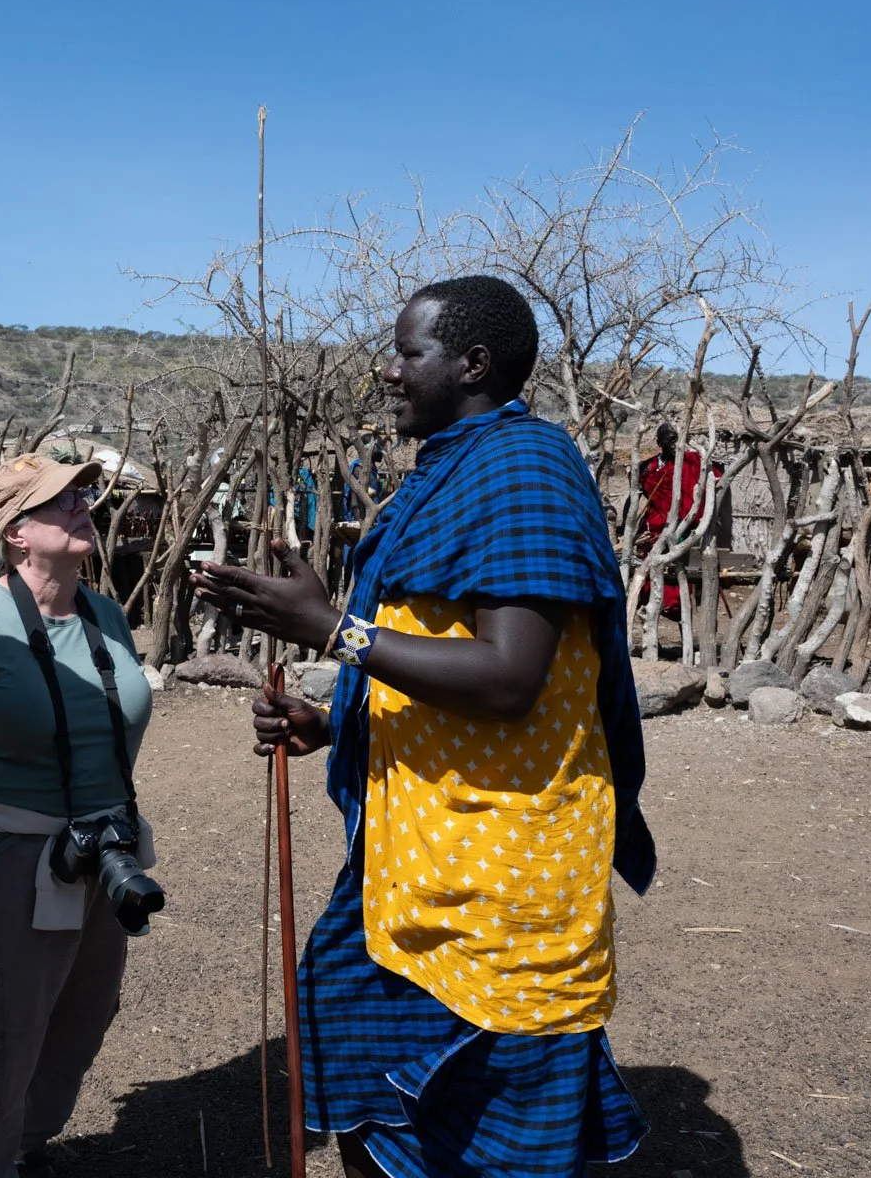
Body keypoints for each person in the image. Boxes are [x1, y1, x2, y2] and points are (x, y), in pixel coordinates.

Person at [192, 275, 655, 1178]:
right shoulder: (452, 468)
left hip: (500, 879)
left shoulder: (528, 468)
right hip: (415, 863)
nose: (389, 372)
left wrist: (329, 628)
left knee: (489, 1129)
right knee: (357, 1057)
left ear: (473, 363)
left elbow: (511, 676)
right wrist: (332, 722)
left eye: (409, 353)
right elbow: (432, 650)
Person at [0, 453, 157, 1178]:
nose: (83, 504)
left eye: (82, 492)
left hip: (101, 853)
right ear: (16, 533)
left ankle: (24, 1148)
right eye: (60, 500)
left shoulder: (104, 612)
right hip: (6, 857)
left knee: (83, 1019)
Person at [635, 423, 720, 616]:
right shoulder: (648, 468)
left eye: (677, 438)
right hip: (656, 526)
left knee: (681, 568)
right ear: (658, 442)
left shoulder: (694, 462)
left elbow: (715, 480)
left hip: (685, 527)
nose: (674, 443)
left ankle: (677, 606)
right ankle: (652, 602)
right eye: (669, 439)